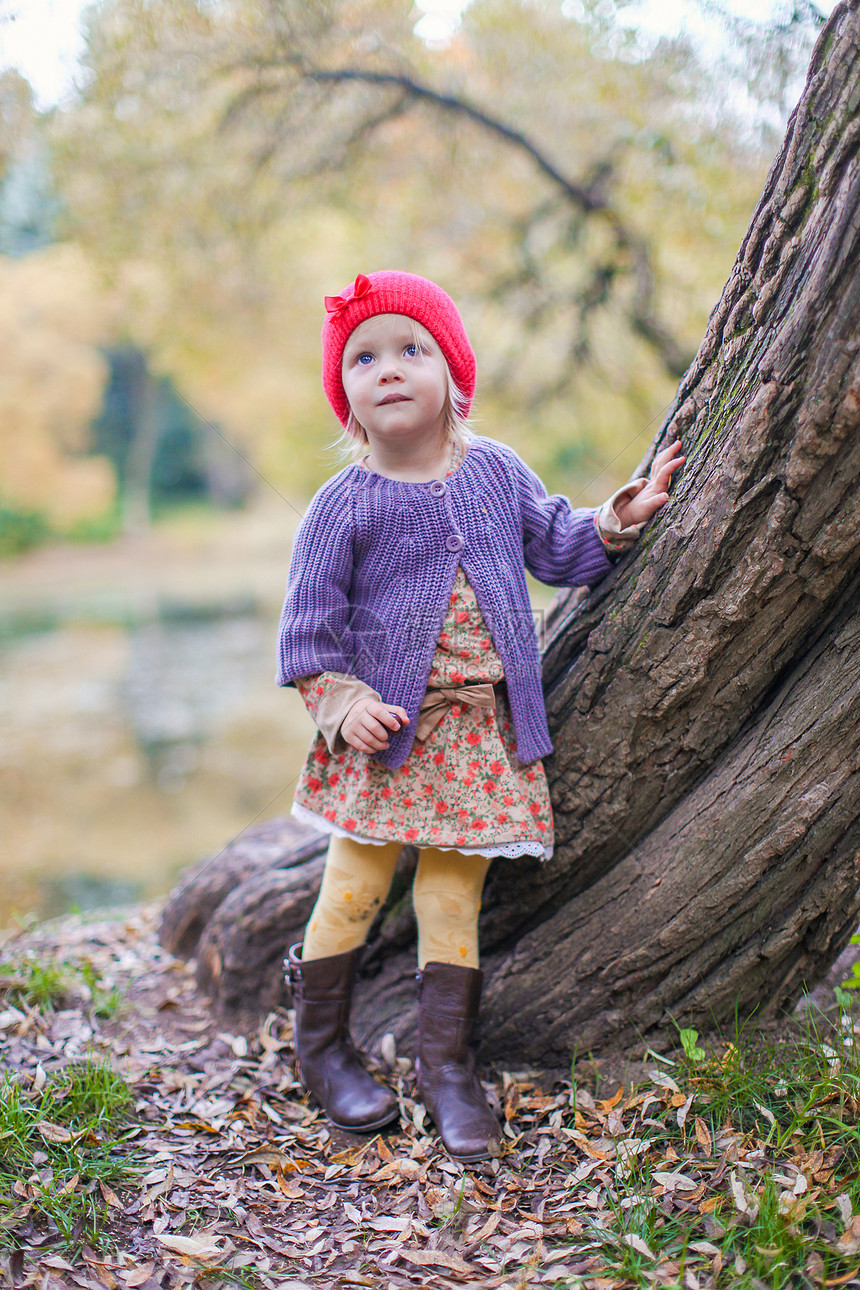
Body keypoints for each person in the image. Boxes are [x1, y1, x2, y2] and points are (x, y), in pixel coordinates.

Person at [276, 270, 684, 1162]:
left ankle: (446, 1066)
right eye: (364, 358)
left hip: (475, 744)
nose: (388, 369)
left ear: (452, 374)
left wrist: (617, 519)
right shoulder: (341, 506)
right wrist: (343, 706)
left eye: (410, 350)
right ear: (344, 394)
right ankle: (321, 1049)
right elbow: (306, 639)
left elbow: (558, 545)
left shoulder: (495, 471)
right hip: (385, 744)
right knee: (351, 890)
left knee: (451, 898)